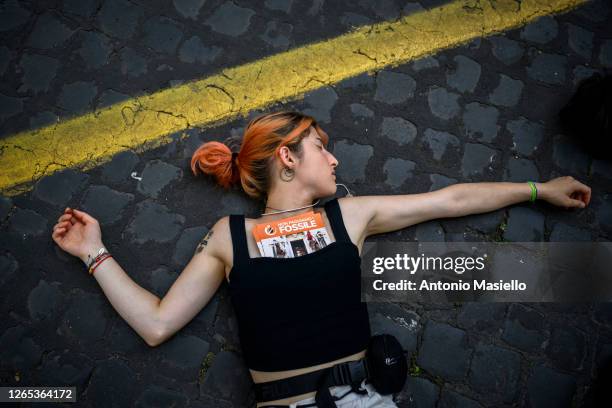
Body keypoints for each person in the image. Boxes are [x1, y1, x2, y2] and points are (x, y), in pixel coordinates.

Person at [51, 111, 592, 407]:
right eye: (320, 145)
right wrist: (93, 251)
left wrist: (537, 189)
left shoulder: (349, 216)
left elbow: (448, 200)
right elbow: (157, 324)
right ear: (287, 157)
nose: (334, 157)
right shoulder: (228, 236)